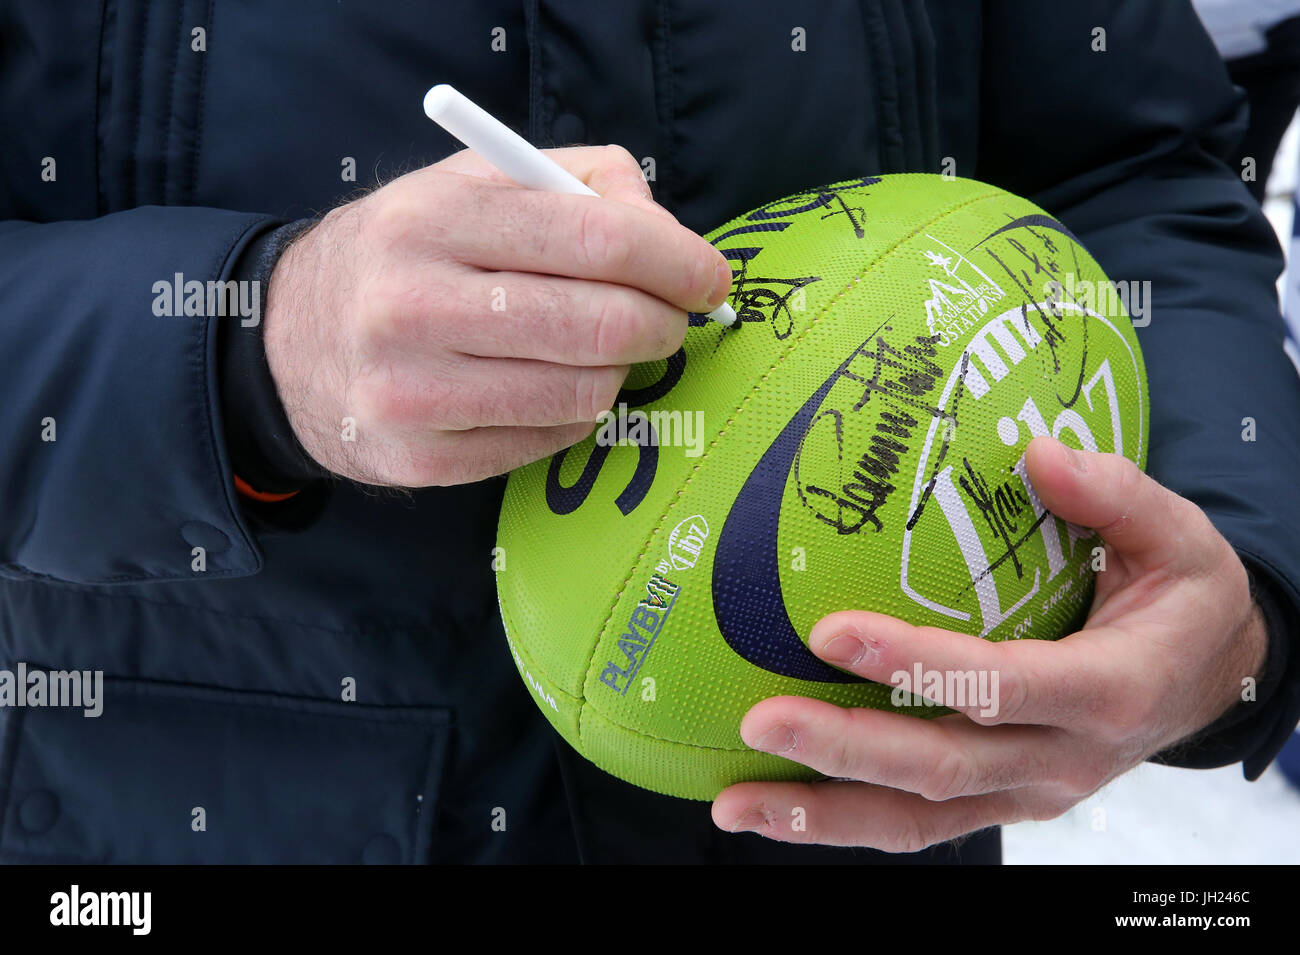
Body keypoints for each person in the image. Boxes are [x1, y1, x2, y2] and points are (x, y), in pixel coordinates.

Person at [1, 0, 1297, 863]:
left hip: (856, 818)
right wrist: (244, 338)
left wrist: (1232, 593)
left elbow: (1127, 167)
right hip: (196, 814)